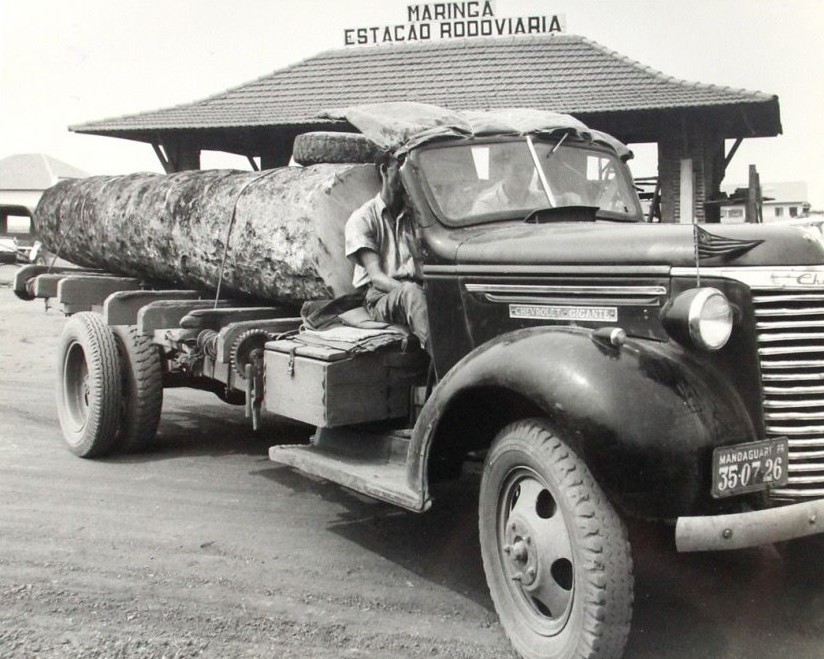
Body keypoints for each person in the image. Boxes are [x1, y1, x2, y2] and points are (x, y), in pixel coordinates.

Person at [344, 151, 430, 353]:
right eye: (401, 165)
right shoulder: (363, 218)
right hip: (381, 298)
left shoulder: (415, 216)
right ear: (384, 170)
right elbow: (377, 279)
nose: (409, 172)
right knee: (411, 293)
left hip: (415, 290)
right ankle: (442, 370)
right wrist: (414, 290)